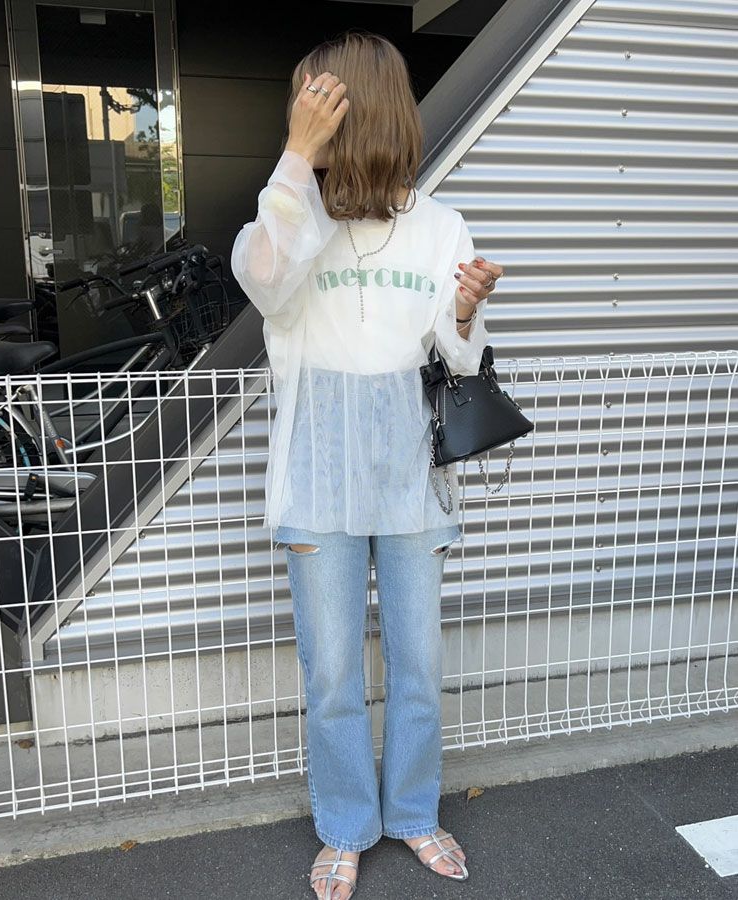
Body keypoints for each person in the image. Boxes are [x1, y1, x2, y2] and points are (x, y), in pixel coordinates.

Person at [231, 30, 502, 900]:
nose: (308, 113)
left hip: (412, 474)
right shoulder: (294, 214)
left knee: (418, 664)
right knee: (334, 674)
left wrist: (465, 312)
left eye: (321, 102)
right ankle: (347, 826)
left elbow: (457, 361)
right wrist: (295, 158)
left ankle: (415, 813)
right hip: (317, 475)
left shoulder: (440, 227)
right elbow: (263, 280)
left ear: (367, 113)